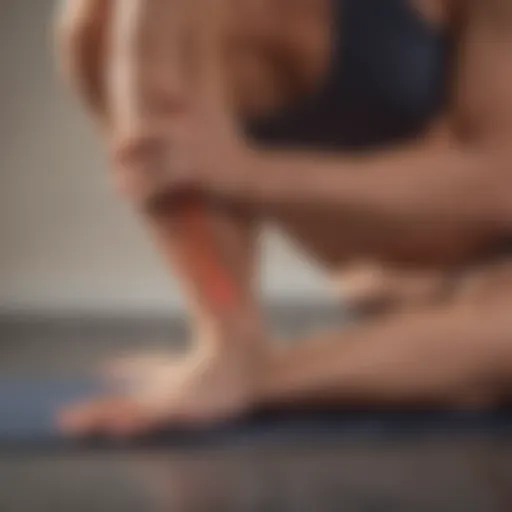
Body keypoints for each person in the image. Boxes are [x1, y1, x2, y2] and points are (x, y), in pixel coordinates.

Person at [54, 0, 512, 437]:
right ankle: (256, 365)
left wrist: (250, 174)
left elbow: (499, 186)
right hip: (401, 288)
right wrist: (226, 334)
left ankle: (268, 378)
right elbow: (163, 153)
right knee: (101, 24)